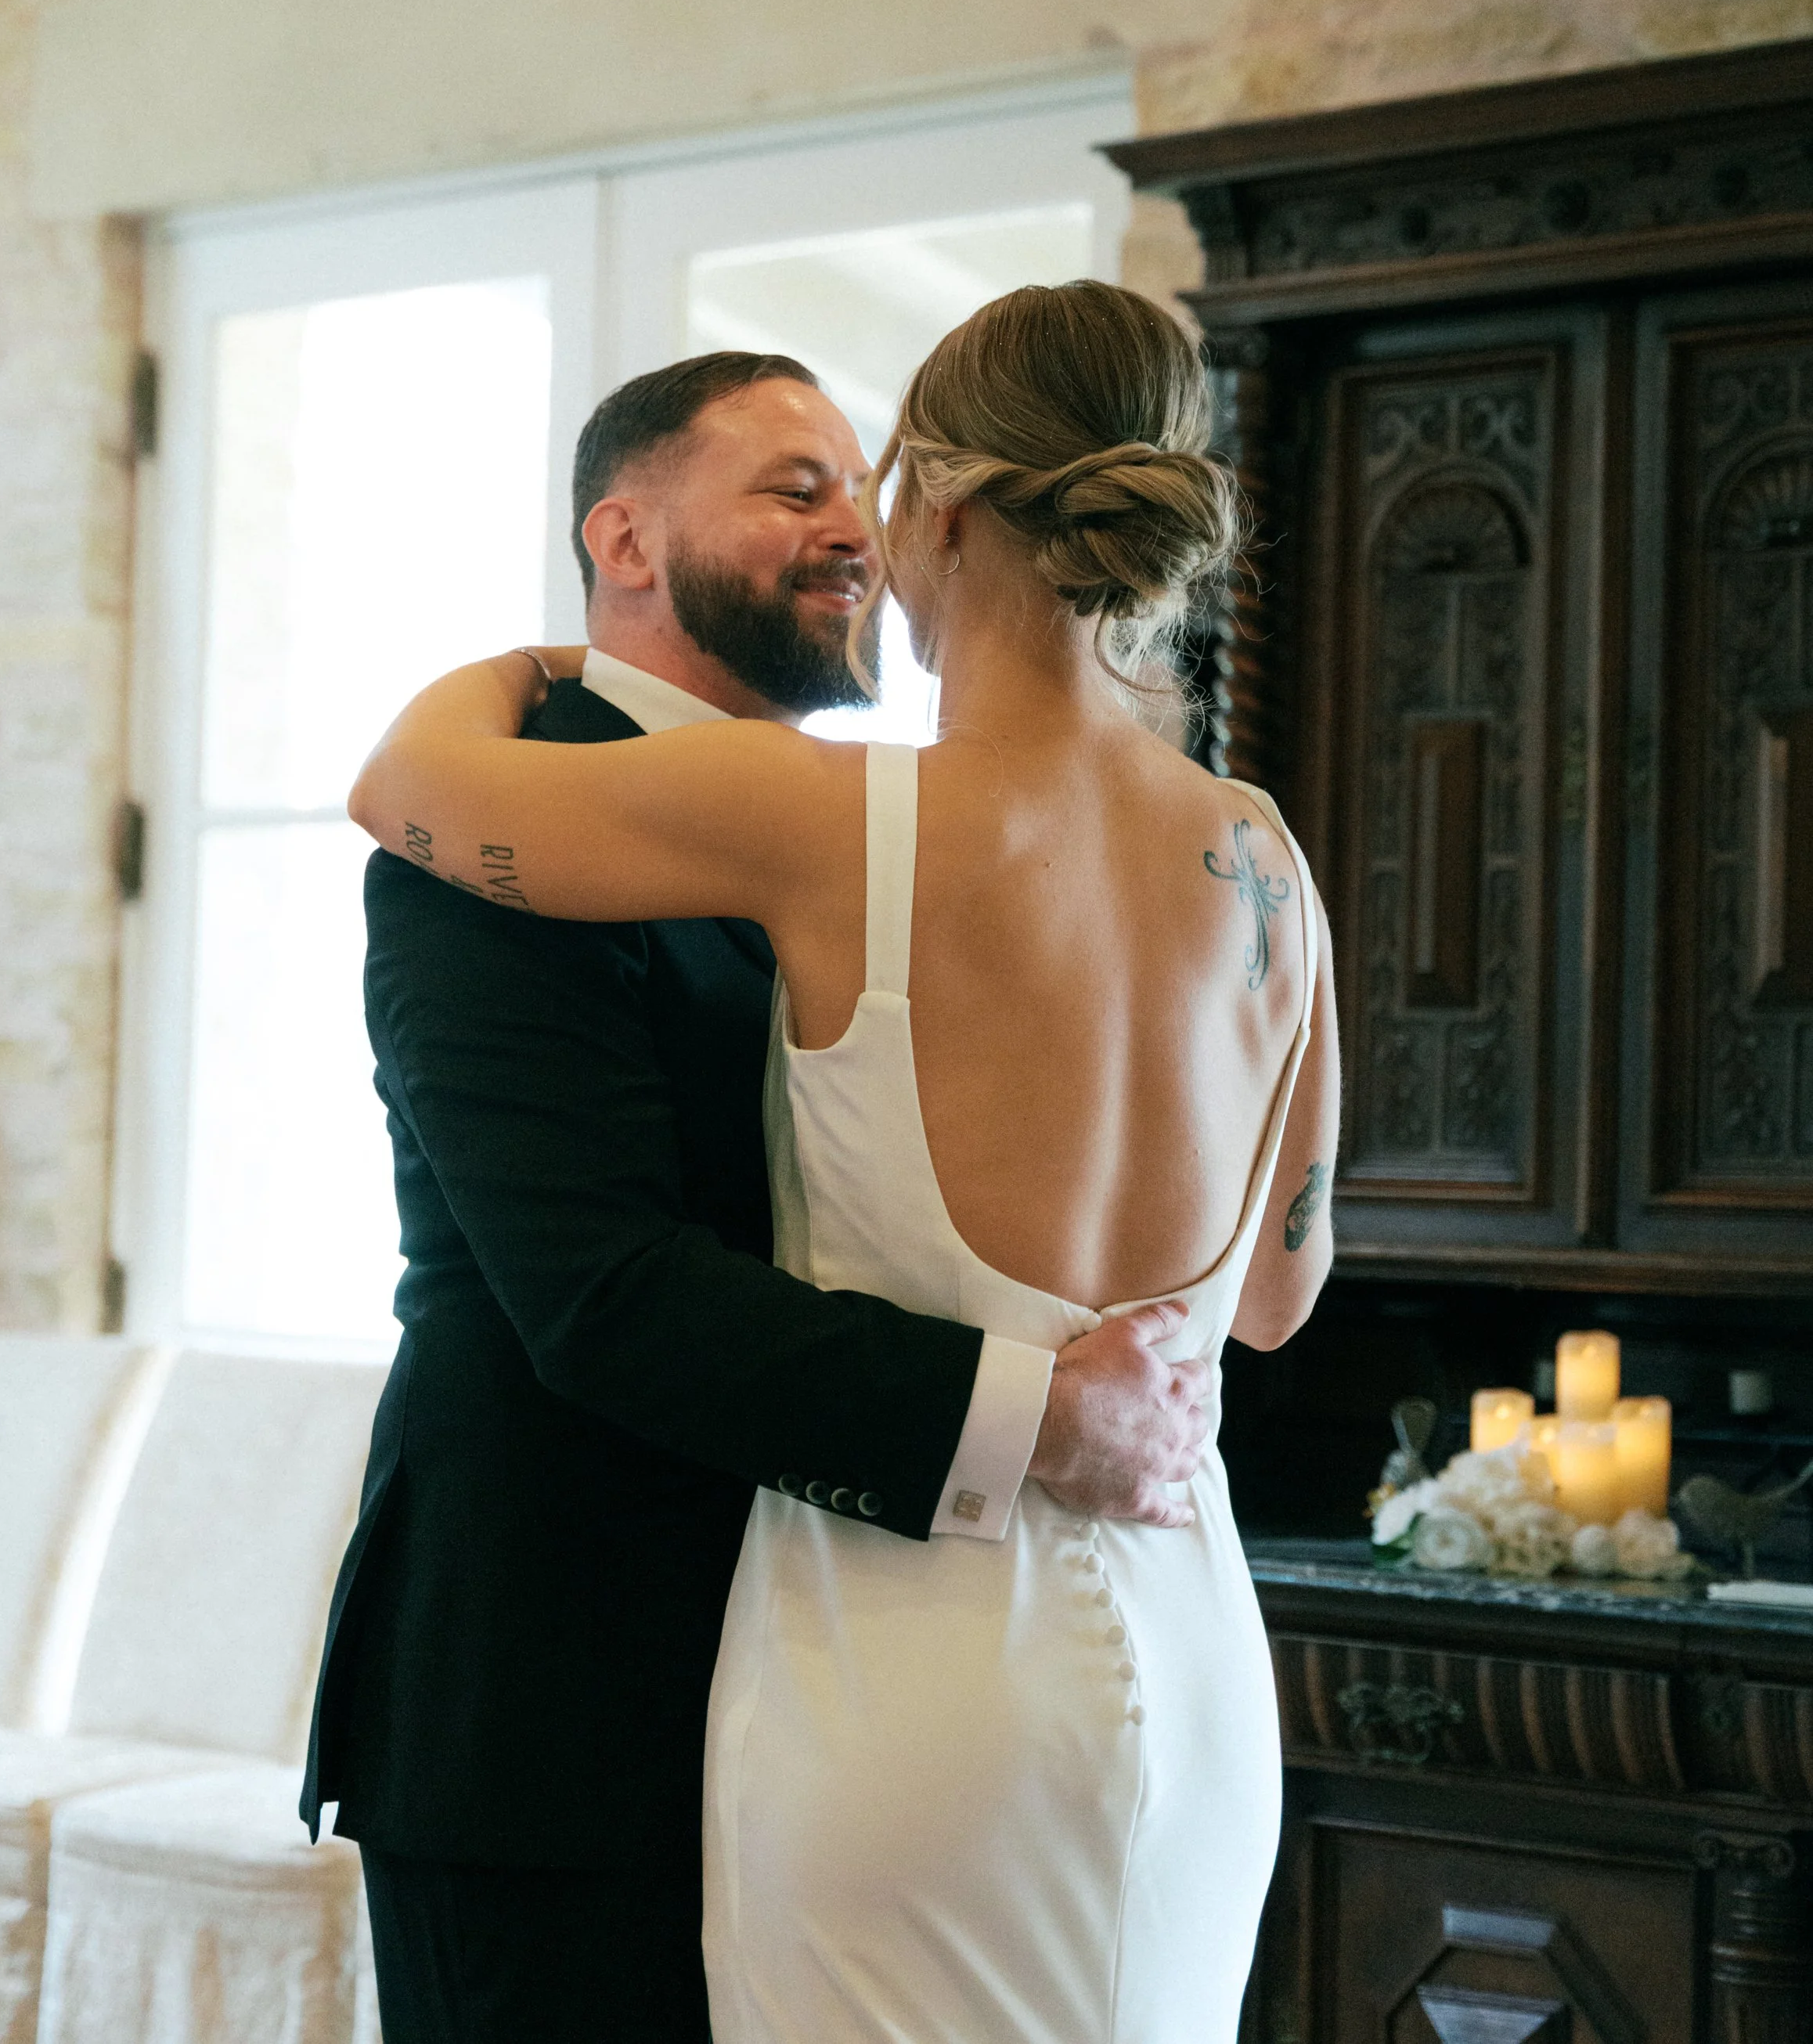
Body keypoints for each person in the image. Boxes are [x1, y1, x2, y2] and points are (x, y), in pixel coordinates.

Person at [351, 282, 1341, 2044]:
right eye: (791, 487)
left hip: (888, 1670)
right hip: (602, 1703)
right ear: (622, 539)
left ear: (942, 509)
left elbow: (399, 780)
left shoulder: (829, 826)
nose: (851, 533)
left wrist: (497, 677)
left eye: (860, 483)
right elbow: (1272, 1292)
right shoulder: (1255, 855)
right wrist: (1062, 1388)